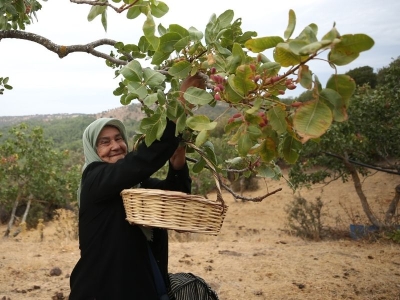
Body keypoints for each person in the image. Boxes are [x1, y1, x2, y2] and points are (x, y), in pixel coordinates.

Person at [69, 75, 205, 300]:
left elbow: (175, 198)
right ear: (92, 150)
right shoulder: (94, 179)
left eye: (118, 138)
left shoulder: (135, 187)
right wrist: (182, 103)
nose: (115, 146)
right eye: (104, 142)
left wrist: (178, 162)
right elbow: (137, 163)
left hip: (145, 287)